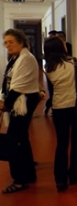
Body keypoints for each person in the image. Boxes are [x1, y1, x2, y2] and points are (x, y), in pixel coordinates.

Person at [44, 36, 77, 192]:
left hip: (59, 107)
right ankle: (74, 175)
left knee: (61, 143)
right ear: (61, 47)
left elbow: (51, 91)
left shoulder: (48, 68)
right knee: (76, 141)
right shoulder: (76, 62)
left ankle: (60, 180)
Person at [0, 29, 41, 194]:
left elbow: (17, 86)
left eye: (11, 42)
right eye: (5, 42)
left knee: (14, 140)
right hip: (19, 102)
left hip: (21, 103)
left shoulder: (25, 59)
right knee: (21, 138)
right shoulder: (16, 58)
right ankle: (28, 173)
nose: (7, 45)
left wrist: (5, 105)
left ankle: (19, 180)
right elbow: (8, 82)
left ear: (21, 42)